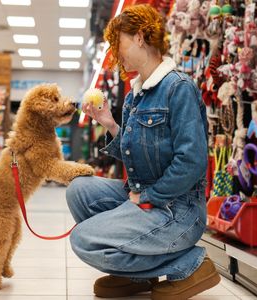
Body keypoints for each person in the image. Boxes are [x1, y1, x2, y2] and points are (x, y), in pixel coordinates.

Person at [66, 4, 218, 300]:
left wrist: (148, 197)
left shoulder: (178, 88)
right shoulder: (137, 93)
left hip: (178, 209)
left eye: (118, 43)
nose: (115, 52)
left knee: (83, 240)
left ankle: (190, 265)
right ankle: (135, 276)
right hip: (143, 193)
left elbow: (192, 161)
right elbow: (142, 155)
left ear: (139, 37)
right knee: (79, 190)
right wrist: (110, 125)